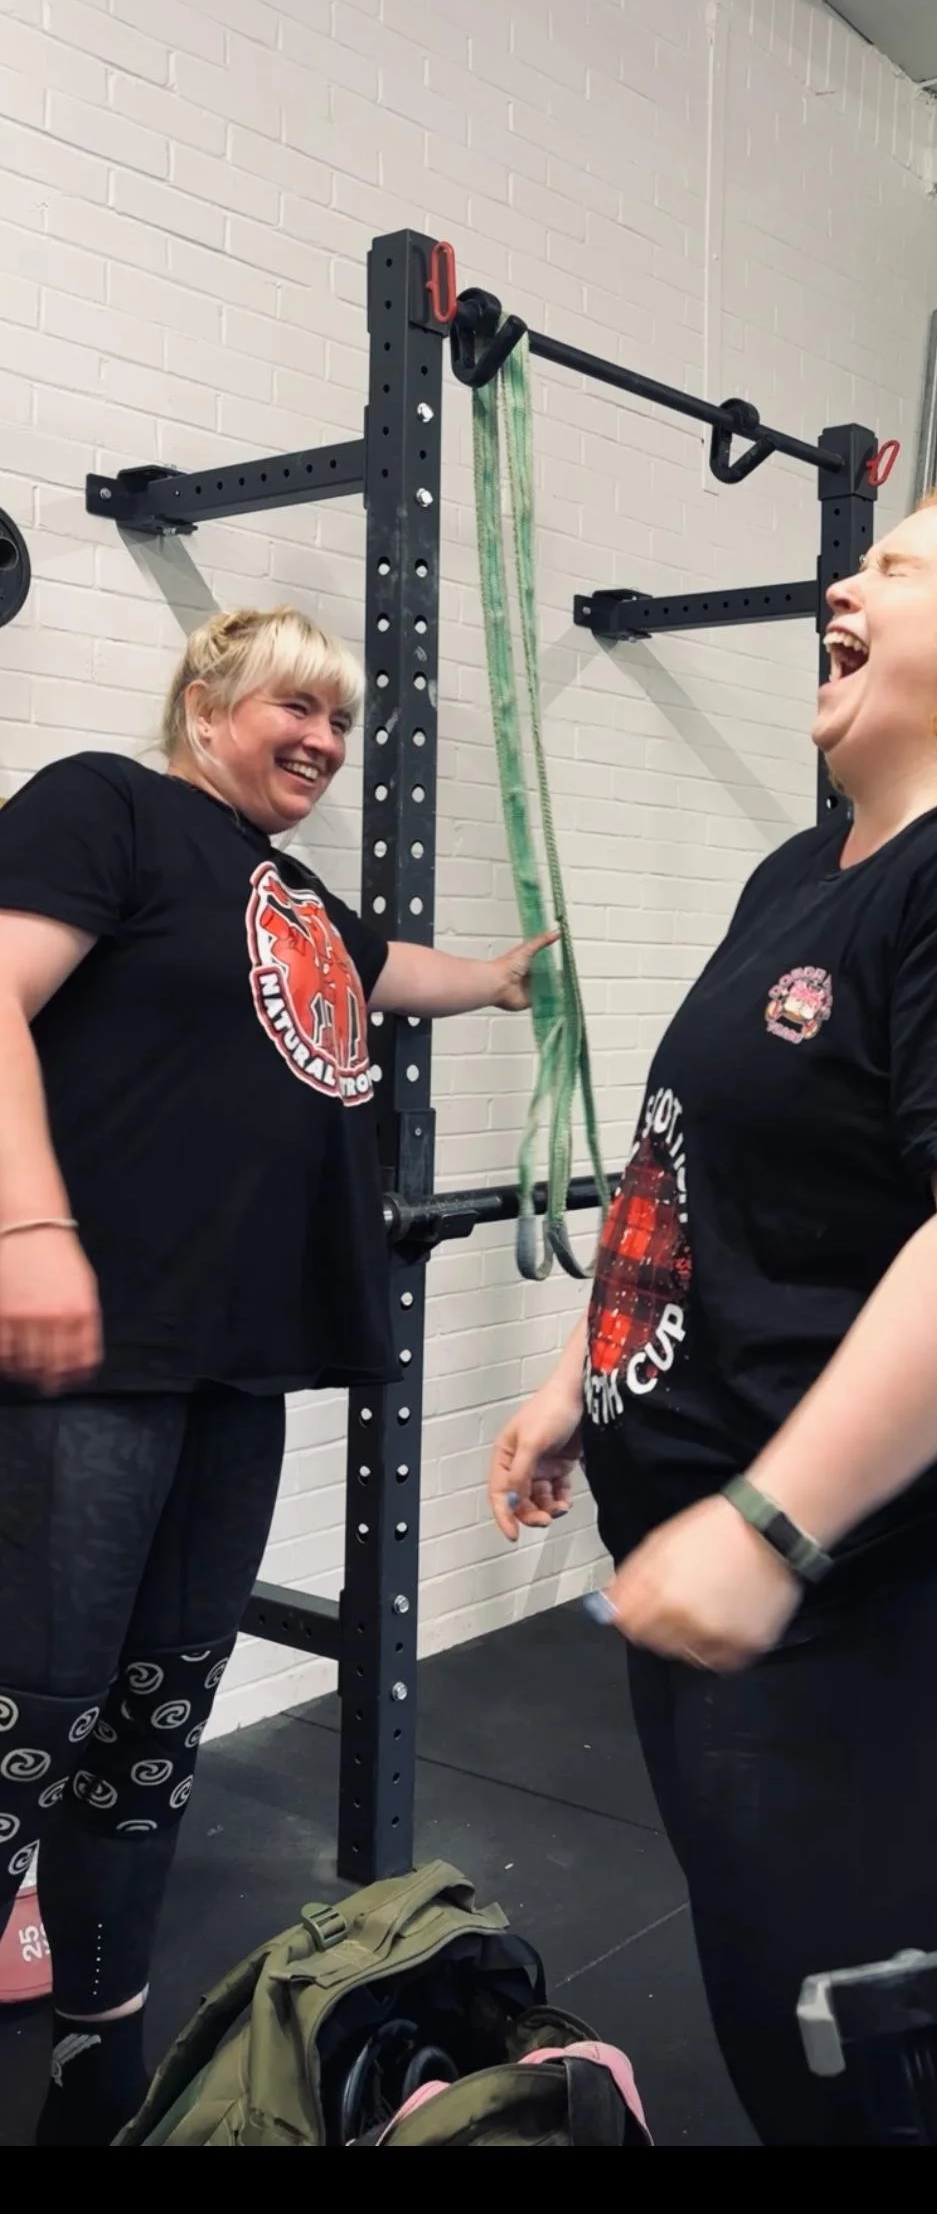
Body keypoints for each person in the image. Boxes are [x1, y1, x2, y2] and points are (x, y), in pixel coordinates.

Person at [488, 474, 937, 2148]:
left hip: (870, 1585)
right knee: (763, 1996)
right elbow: (697, 1171)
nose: (844, 583)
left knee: (856, 2041)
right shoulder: (807, 865)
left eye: (897, 565)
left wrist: (769, 1526)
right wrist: (586, 1380)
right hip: (716, 1539)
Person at [0, 604, 552, 2150]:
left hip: (233, 1362)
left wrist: (500, 984)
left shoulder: (294, 891)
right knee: (27, 1713)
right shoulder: (105, 808)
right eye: (292, 708)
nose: (319, 741)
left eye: (339, 723)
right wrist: (27, 1222)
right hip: (93, 1340)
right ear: (207, 699)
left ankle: (91, 2050)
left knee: (158, 1710)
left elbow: (386, 973)